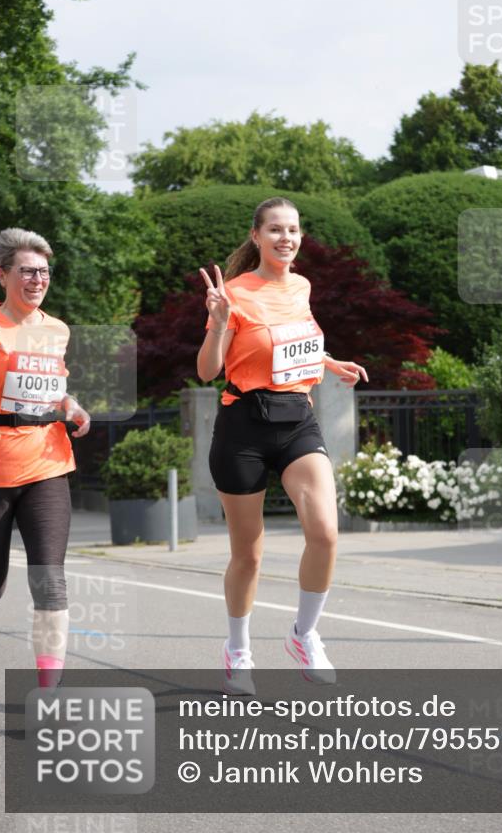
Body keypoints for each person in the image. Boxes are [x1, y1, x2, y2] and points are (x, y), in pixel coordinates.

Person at [197, 197, 367, 694]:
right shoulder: (234, 293)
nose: (285, 238)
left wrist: (329, 362)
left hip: (297, 420)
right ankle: (238, 650)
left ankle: (304, 634)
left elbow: (293, 342)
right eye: (275, 229)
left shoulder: (302, 286)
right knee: (248, 555)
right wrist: (219, 322)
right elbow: (207, 371)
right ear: (256, 236)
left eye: (292, 230)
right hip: (243, 426)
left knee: (326, 533)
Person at [0, 228, 90, 688]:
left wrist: (71, 406)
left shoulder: (56, 330)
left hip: (48, 462)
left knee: (49, 579)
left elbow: (53, 387)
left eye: (44, 272)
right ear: (2, 275)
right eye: (27, 271)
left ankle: (49, 694)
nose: (37, 280)